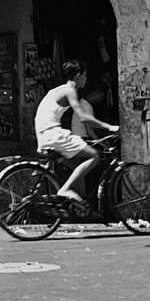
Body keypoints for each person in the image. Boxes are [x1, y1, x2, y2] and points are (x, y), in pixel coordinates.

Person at [34, 59, 119, 206]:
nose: (86, 80)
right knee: (94, 156)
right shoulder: (69, 90)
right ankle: (65, 190)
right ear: (78, 75)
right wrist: (109, 127)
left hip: (43, 133)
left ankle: (75, 204)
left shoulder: (57, 90)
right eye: (85, 76)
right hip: (52, 133)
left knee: (76, 164)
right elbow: (83, 117)